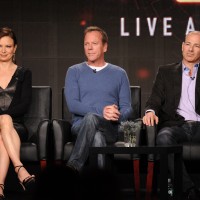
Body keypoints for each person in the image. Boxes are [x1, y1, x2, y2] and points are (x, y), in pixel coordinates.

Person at [65, 26, 133, 172]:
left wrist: (117, 115)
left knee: (97, 131)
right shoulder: (74, 71)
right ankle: (102, 188)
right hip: (80, 126)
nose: (89, 48)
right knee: (95, 133)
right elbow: (73, 105)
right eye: (86, 44)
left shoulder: (119, 73)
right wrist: (101, 111)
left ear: (105, 47)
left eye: (94, 43)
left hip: (109, 127)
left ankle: (73, 168)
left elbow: (127, 107)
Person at [143, 31, 200, 200]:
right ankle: (189, 190)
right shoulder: (166, 72)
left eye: (196, 46)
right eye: (188, 44)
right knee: (163, 138)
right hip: (177, 126)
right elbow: (154, 100)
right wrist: (150, 112)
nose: (191, 49)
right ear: (182, 46)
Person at [0, 27, 35, 199]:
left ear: (15, 48)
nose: (3, 50)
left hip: (16, 126)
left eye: (7, 46)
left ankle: (0, 186)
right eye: (0, 46)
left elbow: (24, 104)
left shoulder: (23, 73)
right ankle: (20, 169)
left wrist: (4, 118)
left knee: (5, 124)